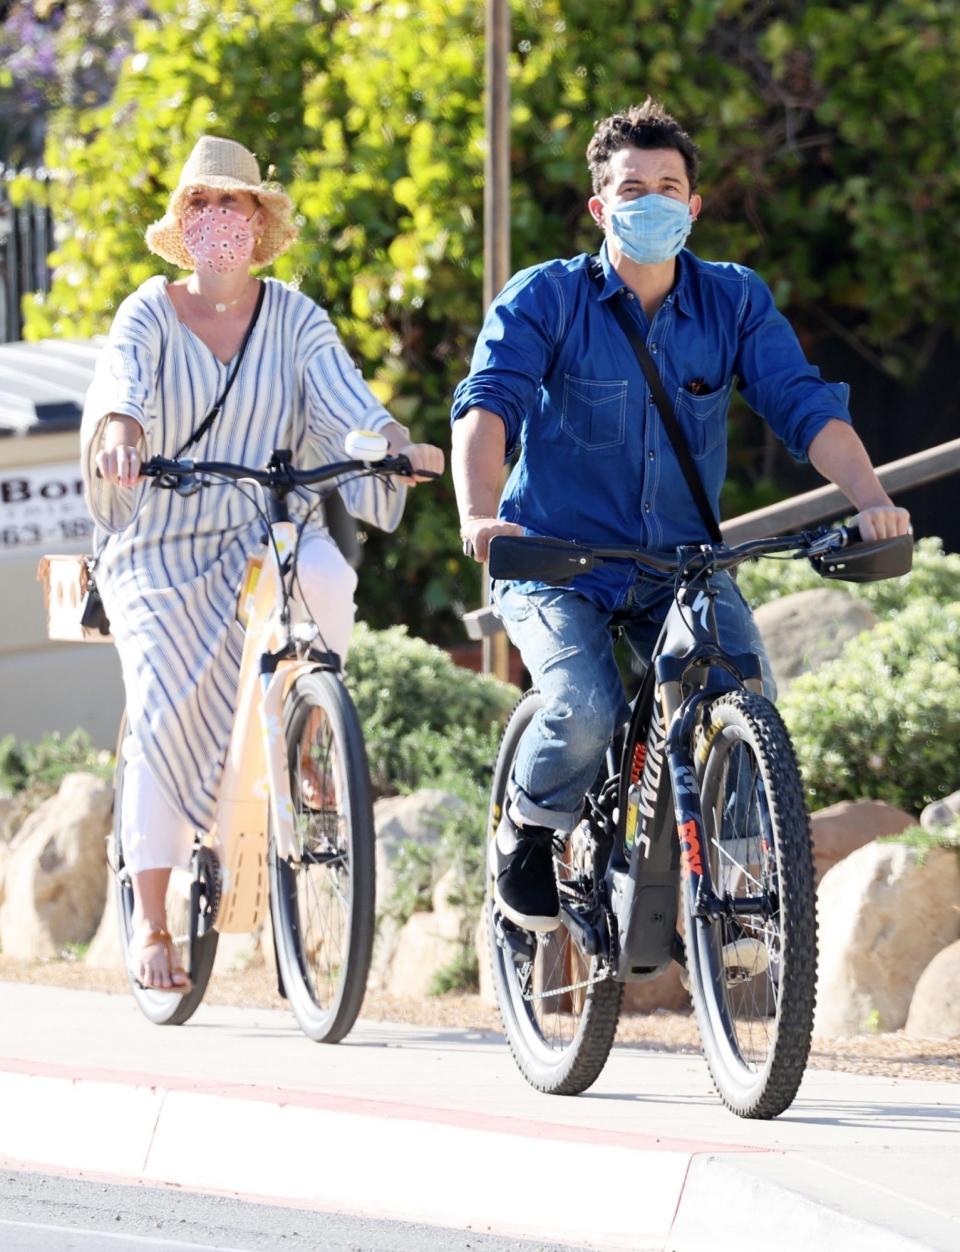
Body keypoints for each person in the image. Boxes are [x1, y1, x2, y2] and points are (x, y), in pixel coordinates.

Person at [451, 99, 910, 933]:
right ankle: (527, 828)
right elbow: (488, 408)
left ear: (693, 206)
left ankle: (741, 899)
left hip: (679, 563)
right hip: (556, 562)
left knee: (744, 690)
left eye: (670, 186)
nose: (653, 200)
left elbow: (804, 407)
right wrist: (480, 516)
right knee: (585, 704)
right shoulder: (546, 299)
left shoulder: (733, 301)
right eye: (633, 188)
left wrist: (871, 499)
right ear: (601, 205)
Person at [82, 135, 443, 990]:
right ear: (181, 223)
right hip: (159, 541)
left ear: (258, 220)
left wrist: (393, 447)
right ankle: (156, 919)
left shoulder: (294, 318)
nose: (214, 219)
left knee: (327, 575)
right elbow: (120, 387)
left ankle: (310, 736)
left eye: (230, 204)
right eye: (198, 205)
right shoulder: (148, 310)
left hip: (257, 525)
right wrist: (123, 437)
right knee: (167, 701)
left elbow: (348, 402)